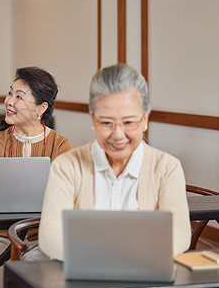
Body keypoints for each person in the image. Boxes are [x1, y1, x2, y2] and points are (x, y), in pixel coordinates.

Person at [38, 63, 191, 262]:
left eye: (129, 122)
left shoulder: (167, 167)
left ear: (145, 119)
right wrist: (113, 256)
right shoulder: (67, 166)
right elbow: (50, 235)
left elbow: (179, 235)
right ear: (93, 119)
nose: (118, 135)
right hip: (82, 277)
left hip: (145, 276)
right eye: (106, 123)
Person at [0, 66, 73, 288]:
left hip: (43, 238)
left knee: (48, 271)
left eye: (19, 97)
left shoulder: (61, 146)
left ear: (41, 107)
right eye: (10, 93)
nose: (9, 101)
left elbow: (65, 199)